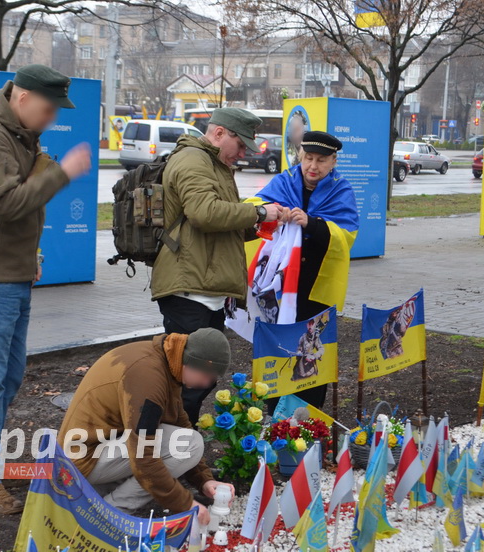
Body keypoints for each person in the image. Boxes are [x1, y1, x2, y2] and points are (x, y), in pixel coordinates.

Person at [0, 64, 92, 515]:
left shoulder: (18, 136)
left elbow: (14, 210)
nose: (51, 118)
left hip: (8, 274)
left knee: (7, 377)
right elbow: (5, 203)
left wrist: (29, 257)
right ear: (23, 98)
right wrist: (61, 172)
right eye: (48, 109)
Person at [150, 107, 285, 425]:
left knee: (200, 378)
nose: (243, 154)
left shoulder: (214, 165)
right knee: (188, 380)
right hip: (188, 288)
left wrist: (259, 226)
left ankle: (180, 440)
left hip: (205, 287)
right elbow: (204, 213)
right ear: (220, 133)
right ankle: (171, 443)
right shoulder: (193, 160)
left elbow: (218, 224)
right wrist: (258, 213)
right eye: (241, 145)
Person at [58, 328, 236, 526]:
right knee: (189, 444)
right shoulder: (148, 378)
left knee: (186, 440)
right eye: (208, 376)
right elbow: (144, 457)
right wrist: (185, 503)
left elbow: (180, 423)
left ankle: (98, 494)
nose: (206, 384)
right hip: (80, 461)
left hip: (97, 447)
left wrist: (204, 480)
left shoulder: (166, 359)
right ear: (192, 362)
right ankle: (108, 514)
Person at [253, 130, 359, 411]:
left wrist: (311, 223)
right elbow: (253, 209)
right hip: (279, 289)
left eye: (321, 160)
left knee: (312, 353)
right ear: (300, 156)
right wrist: (274, 212)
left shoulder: (341, 190)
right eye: (308, 158)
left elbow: (346, 236)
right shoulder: (283, 182)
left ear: (334, 161)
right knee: (279, 351)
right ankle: (275, 413)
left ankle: (308, 418)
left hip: (315, 292)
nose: (313, 166)